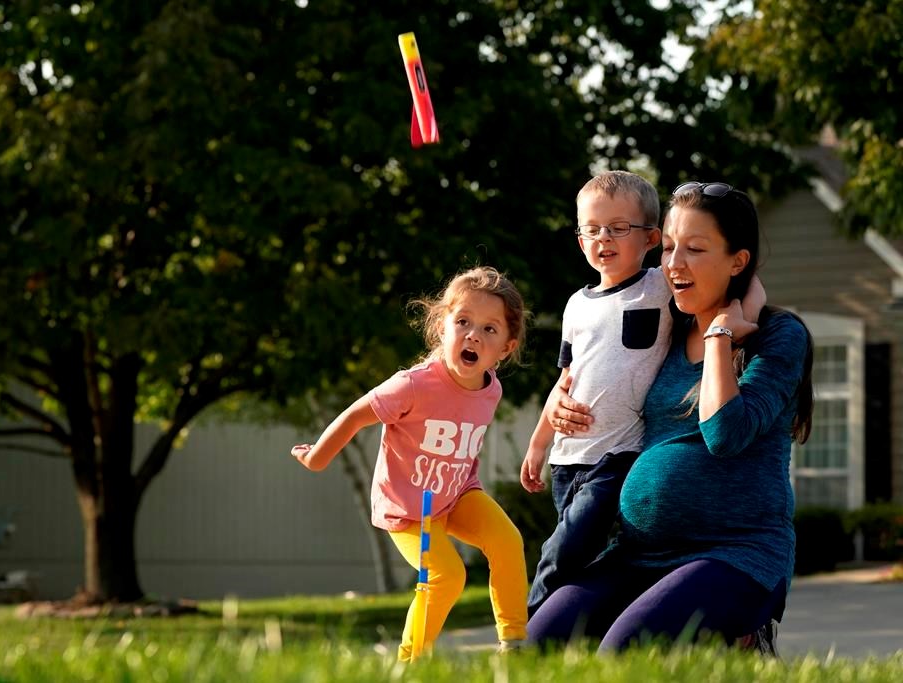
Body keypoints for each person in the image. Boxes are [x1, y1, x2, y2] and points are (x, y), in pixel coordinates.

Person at [527, 182, 814, 653]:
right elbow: (596, 371)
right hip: (640, 553)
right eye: (669, 247)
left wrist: (720, 335)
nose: (674, 263)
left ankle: (738, 641)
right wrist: (558, 403)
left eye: (695, 249)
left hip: (735, 554)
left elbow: (724, 433)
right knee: (540, 640)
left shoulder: (778, 336)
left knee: (622, 651)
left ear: (737, 261)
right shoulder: (664, 328)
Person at [291, 266, 530, 660]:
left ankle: (514, 644)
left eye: (490, 329)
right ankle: (410, 662)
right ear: (441, 327)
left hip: (458, 495)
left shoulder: (492, 390)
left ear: (506, 347)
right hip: (408, 509)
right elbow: (354, 416)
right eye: (463, 321)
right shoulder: (414, 384)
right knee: (446, 576)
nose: (473, 335)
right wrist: (318, 458)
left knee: (507, 540)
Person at [519, 170, 670, 617]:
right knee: (582, 556)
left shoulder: (659, 286)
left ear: (651, 238)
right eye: (592, 229)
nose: (604, 238)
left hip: (618, 454)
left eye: (619, 228)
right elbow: (565, 379)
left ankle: (524, 628)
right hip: (568, 458)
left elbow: (739, 278)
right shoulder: (576, 305)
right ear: (580, 240)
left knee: (562, 549)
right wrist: (538, 445)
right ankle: (575, 627)